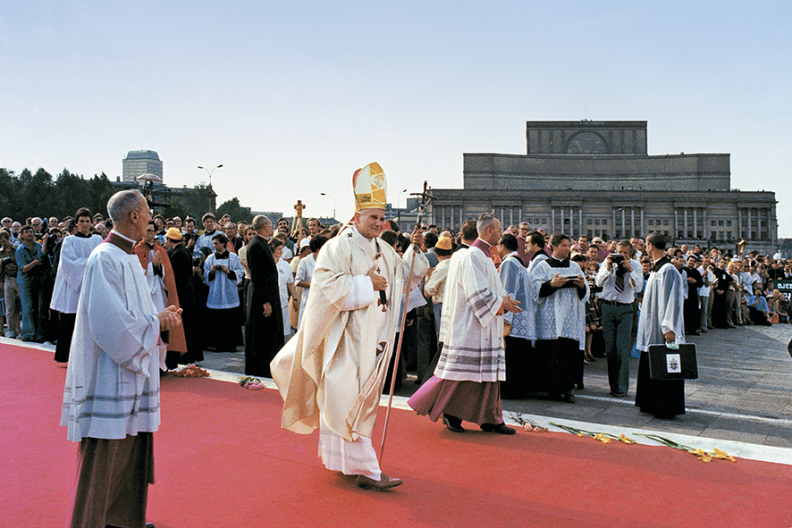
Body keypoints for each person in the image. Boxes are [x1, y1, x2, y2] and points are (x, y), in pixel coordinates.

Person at [271, 162, 429, 491]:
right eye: (372, 217)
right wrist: (364, 284)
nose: (378, 223)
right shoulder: (337, 247)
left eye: (381, 217)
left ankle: (343, 461)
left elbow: (403, 278)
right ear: (356, 216)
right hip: (343, 342)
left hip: (375, 339)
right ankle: (369, 470)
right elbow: (327, 289)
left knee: (355, 403)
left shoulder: (385, 249)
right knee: (347, 400)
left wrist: (414, 253)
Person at [61, 190, 182, 528]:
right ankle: (91, 522)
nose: (150, 219)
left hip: (131, 373)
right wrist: (153, 323)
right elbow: (107, 322)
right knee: (105, 457)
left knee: (129, 453)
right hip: (110, 373)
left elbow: (131, 313)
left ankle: (123, 519)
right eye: (146, 213)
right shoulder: (105, 258)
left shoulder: (129, 257)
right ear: (133, 216)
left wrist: (158, 316)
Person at [409, 213, 521, 434]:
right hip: (472, 325)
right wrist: (501, 304)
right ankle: (451, 414)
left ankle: (490, 418)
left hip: (485, 325)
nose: (501, 234)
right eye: (499, 230)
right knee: (461, 376)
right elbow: (475, 293)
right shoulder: (472, 256)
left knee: (488, 375)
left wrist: (503, 299)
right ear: (489, 231)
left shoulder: (484, 256)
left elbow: (491, 288)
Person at [530, 233, 589, 402]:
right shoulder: (542, 266)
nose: (567, 248)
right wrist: (550, 285)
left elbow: (585, 293)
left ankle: (567, 388)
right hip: (549, 316)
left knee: (567, 353)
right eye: (563, 245)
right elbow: (534, 289)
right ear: (553, 247)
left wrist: (581, 285)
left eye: (568, 245)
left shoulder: (575, 267)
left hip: (570, 317)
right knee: (550, 353)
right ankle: (550, 389)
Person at [634, 232, 686, 418]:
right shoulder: (657, 269)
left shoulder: (668, 270)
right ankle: (650, 402)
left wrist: (669, 328)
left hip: (663, 328)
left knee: (665, 364)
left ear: (650, 246)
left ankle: (665, 406)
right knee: (652, 363)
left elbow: (672, 301)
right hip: (652, 326)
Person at [50, 208, 103, 362]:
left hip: (93, 285)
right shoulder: (69, 240)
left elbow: (102, 259)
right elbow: (68, 264)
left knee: (91, 320)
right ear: (76, 223)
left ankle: (91, 356)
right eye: (81, 221)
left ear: (92, 223)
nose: (85, 224)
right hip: (75, 287)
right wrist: (90, 262)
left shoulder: (97, 240)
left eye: (87, 221)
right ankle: (66, 355)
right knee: (70, 321)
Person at [135, 221, 188, 368]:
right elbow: (137, 275)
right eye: (146, 230)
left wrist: (158, 267)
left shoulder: (162, 250)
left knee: (162, 327)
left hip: (159, 294)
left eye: (151, 231)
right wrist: (152, 266)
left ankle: (161, 364)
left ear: (155, 232)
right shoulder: (137, 250)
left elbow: (168, 276)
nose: (148, 233)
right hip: (144, 294)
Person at [595, 240, 643, 397]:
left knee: (622, 349)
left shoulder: (635, 266)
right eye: (619, 252)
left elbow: (638, 287)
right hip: (608, 307)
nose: (621, 256)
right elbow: (598, 282)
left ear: (631, 254)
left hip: (625, 309)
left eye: (625, 253)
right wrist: (608, 268)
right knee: (611, 349)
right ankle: (613, 385)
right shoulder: (608, 263)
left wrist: (630, 270)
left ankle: (622, 387)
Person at [244, 215, 284, 376]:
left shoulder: (262, 243)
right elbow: (258, 275)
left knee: (269, 335)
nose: (272, 227)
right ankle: (260, 369)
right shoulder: (256, 245)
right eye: (271, 225)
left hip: (268, 295)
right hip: (262, 298)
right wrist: (265, 301)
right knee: (262, 336)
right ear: (266, 226)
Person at [497, 233, 535, 399]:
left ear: (503, 246)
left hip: (514, 316)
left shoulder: (509, 263)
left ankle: (511, 389)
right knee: (520, 354)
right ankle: (520, 387)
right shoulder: (519, 262)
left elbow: (508, 292)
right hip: (523, 315)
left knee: (512, 355)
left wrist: (504, 322)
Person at [165, 227, 202, 366]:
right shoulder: (183, 251)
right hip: (187, 292)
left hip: (181, 294)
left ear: (169, 239)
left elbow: (173, 276)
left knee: (185, 325)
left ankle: (186, 355)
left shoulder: (177, 253)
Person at [204, 233, 244, 351]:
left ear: (223, 244)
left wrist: (229, 271)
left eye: (216, 243)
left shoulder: (233, 257)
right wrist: (211, 272)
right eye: (214, 243)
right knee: (217, 321)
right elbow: (205, 274)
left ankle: (231, 345)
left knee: (230, 321)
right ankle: (217, 345)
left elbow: (240, 272)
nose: (214, 245)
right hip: (216, 292)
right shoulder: (210, 258)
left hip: (229, 292)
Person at [16, 225, 49, 342]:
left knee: (37, 307)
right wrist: (34, 262)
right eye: (27, 232)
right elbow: (23, 268)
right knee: (27, 306)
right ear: (22, 235)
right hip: (25, 280)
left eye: (31, 231)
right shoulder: (19, 250)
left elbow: (42, 259)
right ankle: (27, 333)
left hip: (37, 279)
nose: (30, 233)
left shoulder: (38, 246)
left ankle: (37, 332)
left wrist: (35, 262)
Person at [270, 237, 297, 340]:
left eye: (282, 249)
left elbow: (290, 283)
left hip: (282, 301)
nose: (281, 252)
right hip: (270, 302)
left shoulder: (285, 265)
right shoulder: (266, 263)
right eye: (279, 249)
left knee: (282, 332)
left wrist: (295, 299)